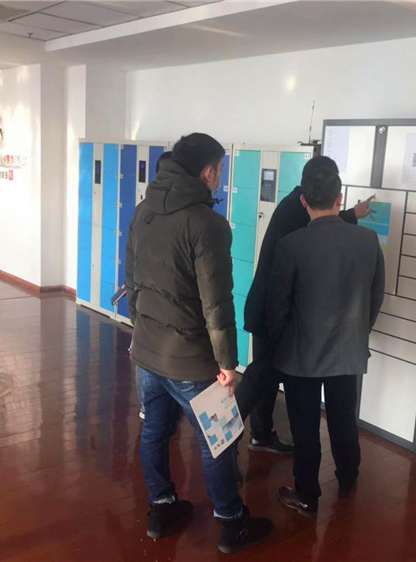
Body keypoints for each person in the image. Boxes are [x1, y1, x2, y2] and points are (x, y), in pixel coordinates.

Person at [125, 133, 274, 553]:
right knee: (219, 440)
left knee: (155, 431)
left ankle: (162, 508)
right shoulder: (207, 224)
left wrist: (141, 329)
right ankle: (231, 523)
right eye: (220, 170)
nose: (220, 178)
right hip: (191, 361)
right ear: (208, 172)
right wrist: (228, 363)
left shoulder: (143, 211)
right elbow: (217, 303)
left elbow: (132, 280)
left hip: (147, 352)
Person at [266, 163, 385, 517]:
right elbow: (375, 295)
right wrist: (358, 333)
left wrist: (282, 343)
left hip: (301, 355)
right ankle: (348, 479)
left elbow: (277, 306)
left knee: (305, 427)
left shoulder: (292, 245)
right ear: (340, 198)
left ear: (303, 201)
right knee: (344, 418)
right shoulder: (367, 240)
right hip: (348, 352)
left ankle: (307, 495)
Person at [235, 156, 373, 453]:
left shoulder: (296, 205)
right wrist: (351, 215)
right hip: (272, 312)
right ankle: (226, 435)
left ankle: (257, 434)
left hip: (275, 310)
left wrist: (352, 214)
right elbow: (319, 231)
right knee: (261, 377)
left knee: (264, 377)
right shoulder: (294, 211)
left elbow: (321, 223)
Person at [136, 150, 172, 421]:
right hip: (157, 306)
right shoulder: (189, 216)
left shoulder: (143, 210)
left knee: (147, 357)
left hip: (149, 306)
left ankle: (150, 408)